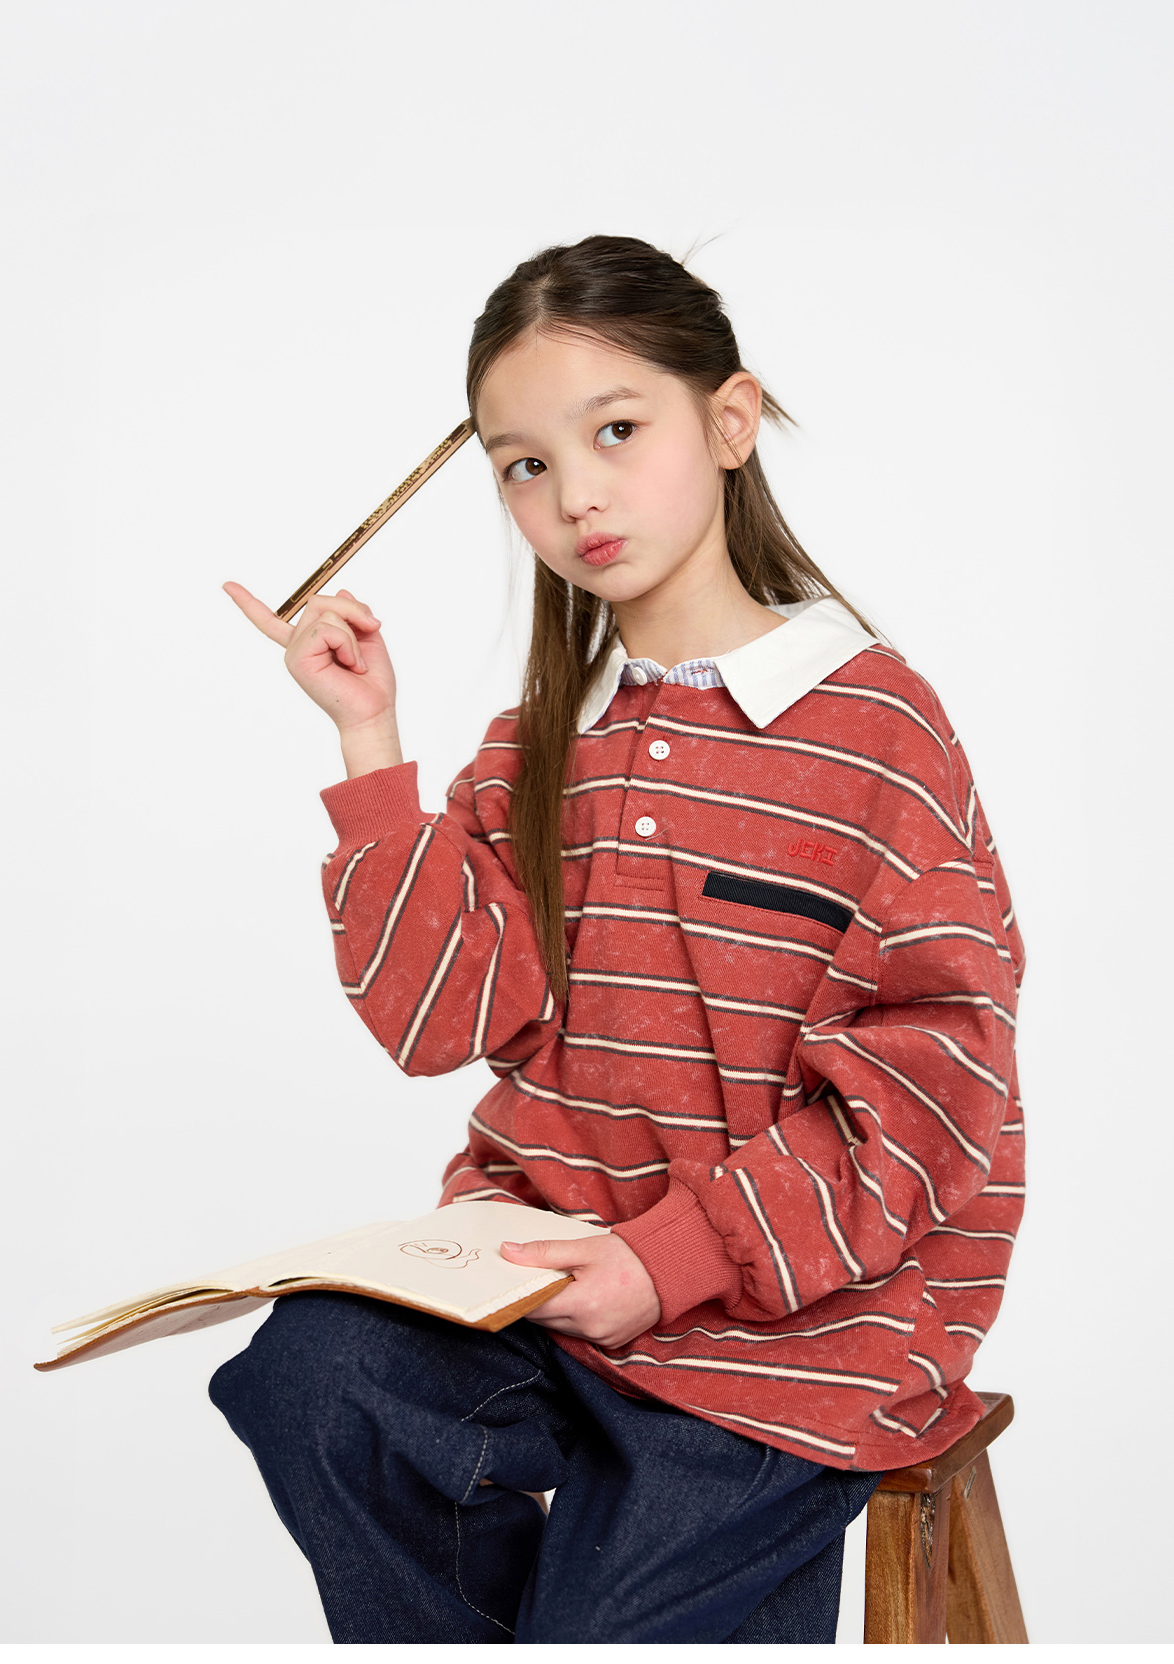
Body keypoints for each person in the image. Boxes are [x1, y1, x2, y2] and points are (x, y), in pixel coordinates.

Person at [212, 234, 1025, 1644]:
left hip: (790, 1333)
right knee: (312, 1381)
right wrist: (370, 742)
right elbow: (436, 1021)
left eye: (616, 432)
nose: (574, 494)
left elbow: (935, 1090)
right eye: (524, 464)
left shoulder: (873, 729)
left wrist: (670, 1259)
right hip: (539, 1288)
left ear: (729, 422)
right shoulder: (539, 742)